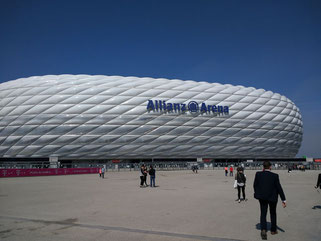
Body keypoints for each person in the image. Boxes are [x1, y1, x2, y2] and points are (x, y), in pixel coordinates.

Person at [254, 161, 286, 240]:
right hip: (272, 198)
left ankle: (263, 230)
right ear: (270, 167)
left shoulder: (258, 174)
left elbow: (255, 185)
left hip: (262, 198)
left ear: (263, 167)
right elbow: (279, 188)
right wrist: (283, 199)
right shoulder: (275, 176)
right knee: (273, 213)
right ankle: (273, 230)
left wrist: (258, 194)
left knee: (263, 213)